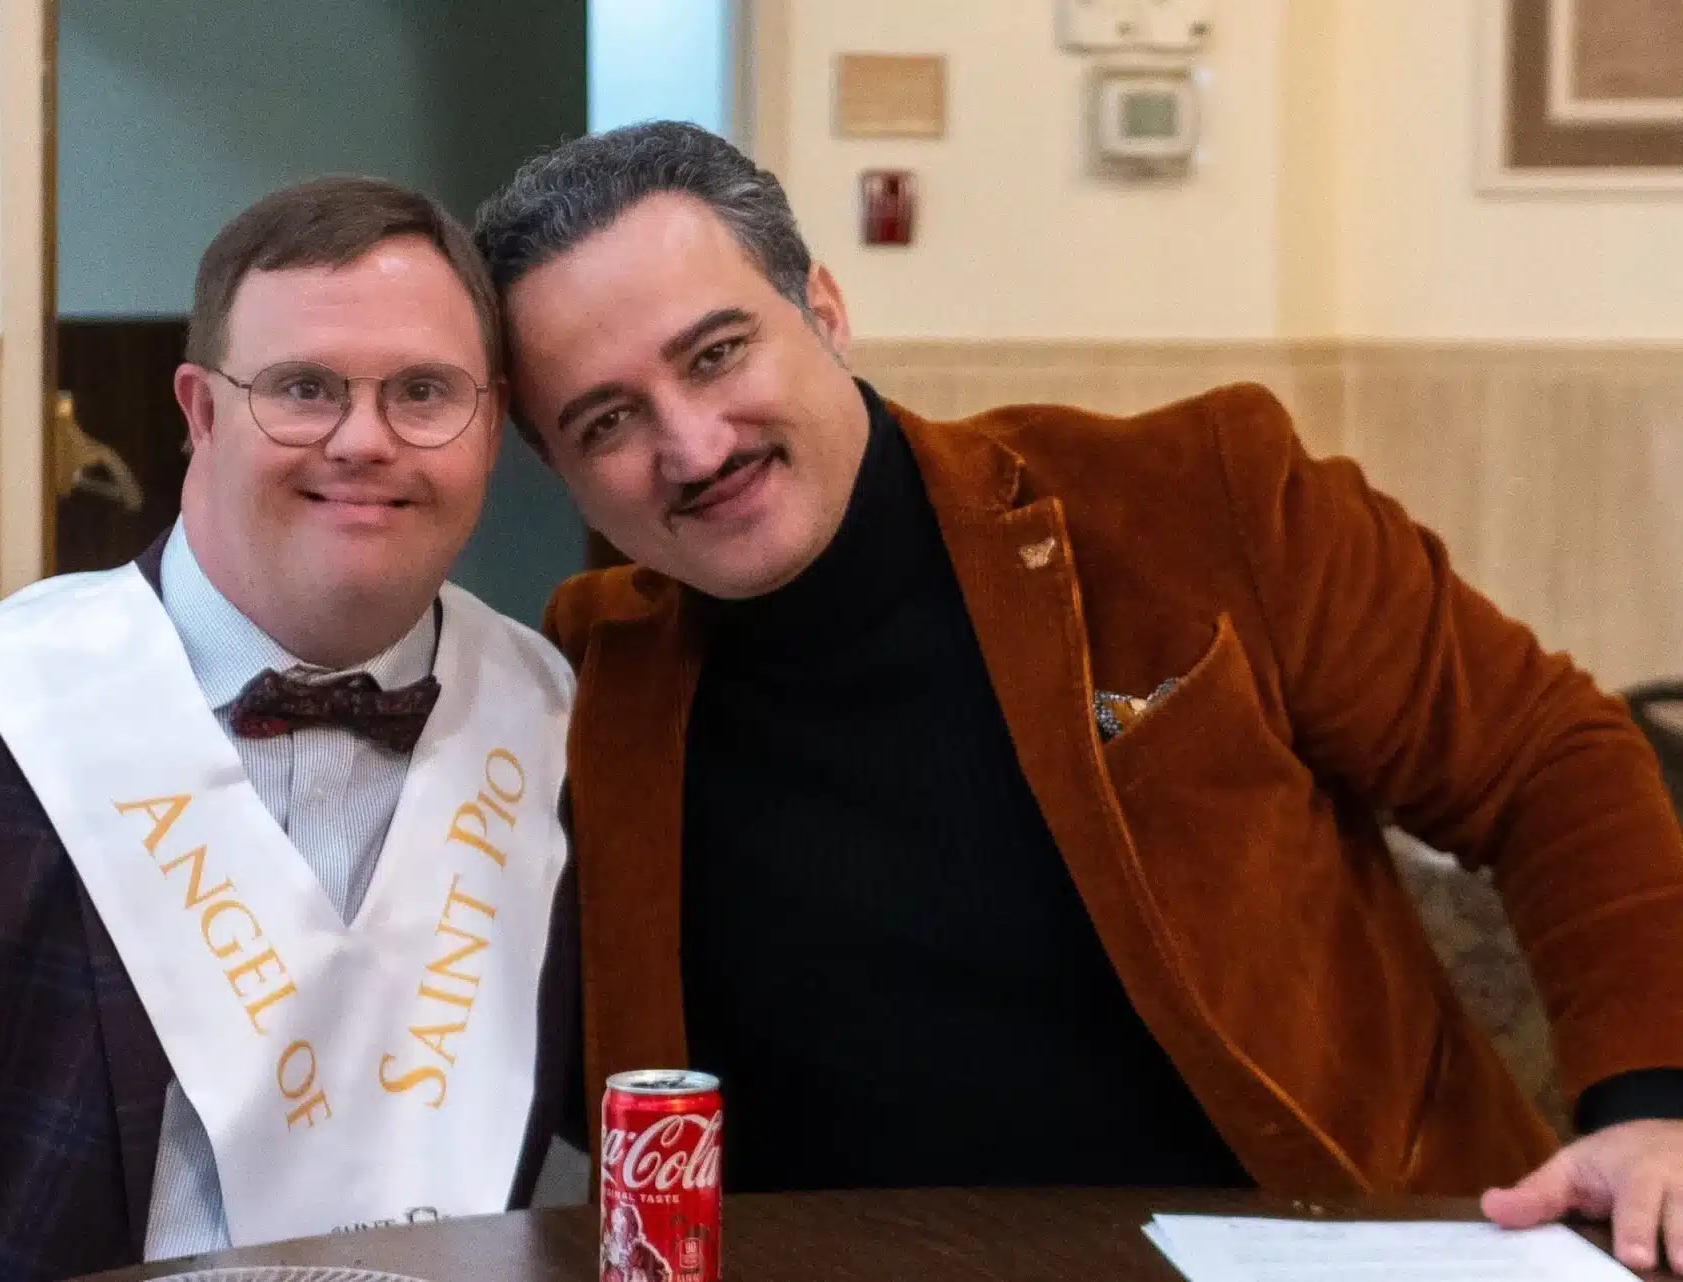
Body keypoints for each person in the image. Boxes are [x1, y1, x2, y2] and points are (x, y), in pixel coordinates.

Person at [473, 122, 1683, 1271]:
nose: (690, 445)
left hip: (1320, 1246)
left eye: (717, 352)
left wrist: (1651, 1106)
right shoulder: (583, 679)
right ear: (560, 469)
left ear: (825, 313)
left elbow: (1547, 761)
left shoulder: (1193, 499)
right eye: (609, 419)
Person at [0, 176, 579, 1281]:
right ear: (199, 412)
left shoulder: (559, 721)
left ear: (488, 423)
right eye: (303, 388)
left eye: (425, 391)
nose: (362, 439)